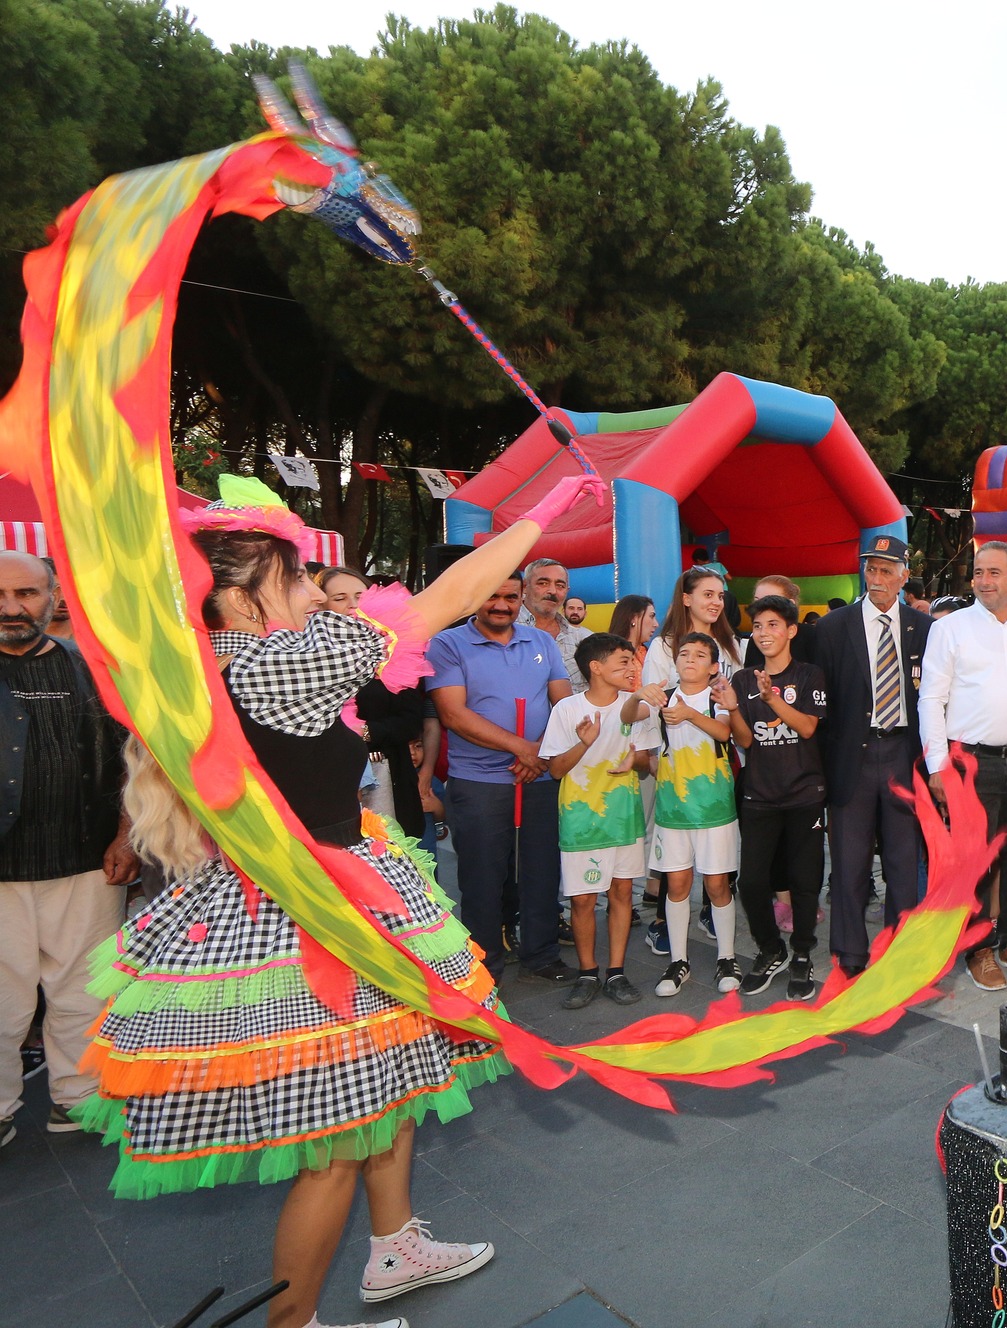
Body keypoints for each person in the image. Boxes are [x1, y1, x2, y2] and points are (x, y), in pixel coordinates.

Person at [90, 472, 596, 1328]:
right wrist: (540, 516)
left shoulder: (202, 657)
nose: (312, 596)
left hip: (325, 887)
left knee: (388, 1080)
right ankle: (295, 1324)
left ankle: (393, 1244)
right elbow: (454, 595)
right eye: (293, 581)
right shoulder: (280, 663)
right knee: (333, 1145)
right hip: (312, 920)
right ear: (245, 599)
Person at [0, 552, 135, 1146]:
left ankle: (77, 1099)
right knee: (2, 999)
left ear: (54, 596)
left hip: (88, 862)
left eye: (25, 593)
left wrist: (128, 833)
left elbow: (136, 760)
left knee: (81, 990)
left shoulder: (93, 669)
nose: (10, 608)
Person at [918, 541, 1007, 992]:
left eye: (995, 572)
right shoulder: (949, 630)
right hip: (972, 764)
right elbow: (931, 699)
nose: (984, 580)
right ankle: (977, 947)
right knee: (976, 860)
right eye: (979, 572)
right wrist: (938, 766)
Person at [428, 573, 575, 982]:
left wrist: (539, 754)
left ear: (521, 598)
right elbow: (454, 714)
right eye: (492, 595)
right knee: (481, 875)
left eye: (510, 596)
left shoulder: (542, 642)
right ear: (475, 597)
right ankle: (483, 962)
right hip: (479, 783)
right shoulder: (446, 644)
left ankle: (542, 954)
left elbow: (563, 704)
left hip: (539, 778)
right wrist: (522, 748)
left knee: (542, 870)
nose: (501, 604)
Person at [807, 534, 932, 979]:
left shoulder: (923, 628)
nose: (876, 578)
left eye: (885, 570)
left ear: (903, 576)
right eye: (870, 569)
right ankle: (850, 951)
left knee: (903, 859)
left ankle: (901, 948)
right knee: (849, 859)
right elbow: (821, 707)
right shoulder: (833, 627)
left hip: (902, 752)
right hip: (851, 757)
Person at [538, 634, 660, 1010]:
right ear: (596, 667)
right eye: (623, 661)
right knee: (583, 900)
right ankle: (588, 973)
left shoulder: (636, 707)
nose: (631, 668)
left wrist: (634, 760)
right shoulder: (567, 710)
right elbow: (555, 769)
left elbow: (649, 763)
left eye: (632, 661)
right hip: (581, 821)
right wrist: (585, 743)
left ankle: (617, 971)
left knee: (623, 894)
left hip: (624, 818)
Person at [723, 595, 829, 1000]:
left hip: (804, 793)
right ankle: (771, 950)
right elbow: (746, 739)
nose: (764, 633)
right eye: (759, 627)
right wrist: (734, 709)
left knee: (804, 880)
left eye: (772, 625)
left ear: (790, 631)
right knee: (751, 881)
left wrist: (771, 700)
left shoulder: (809, 676)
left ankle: (802, 952)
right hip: (760, 795)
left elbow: (806, 728)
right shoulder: (743, 680)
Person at [642, 632, 740, 995]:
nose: (690, 659)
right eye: (684, 653)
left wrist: (689, 714)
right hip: (673, 810)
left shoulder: (718, 698)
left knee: (717, 884)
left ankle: (726, 957)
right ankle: (677, 961)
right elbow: (631, 720)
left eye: (700, 655)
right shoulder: (661, 699)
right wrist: (639, 695)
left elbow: (725, 733)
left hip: (714, 808)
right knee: (678, 884)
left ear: (714, 666)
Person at [324, 567, 436, 842]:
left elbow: (410, 719)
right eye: (340, 597)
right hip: (331, 783)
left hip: (391, 777)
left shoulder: (396, 649)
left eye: (359, 595)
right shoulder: (306, 656)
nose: (352, 605)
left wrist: (364, 731)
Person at [649, 566, 747, 685]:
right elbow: (653, 700)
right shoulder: (663, 646)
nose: (717, 602)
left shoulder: (730, 643)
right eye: (708, 595)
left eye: (720, 596)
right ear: (686, 599)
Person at [519, 558, 592, 692]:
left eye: (560, 585)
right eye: (543, 583)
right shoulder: (505, 629)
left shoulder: (582, 639)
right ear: (524, 587)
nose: (552, 591)